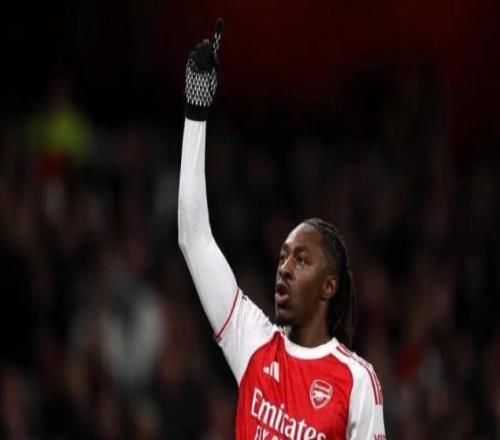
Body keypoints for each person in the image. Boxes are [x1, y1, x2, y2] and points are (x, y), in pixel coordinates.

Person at [178, 19, 386, 440]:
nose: (285, 268)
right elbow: (193, 237)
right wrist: (195, 114)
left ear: (329, 286)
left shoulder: (357, 381)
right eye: (283, 257)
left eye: (302, 260)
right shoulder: (252, 342)